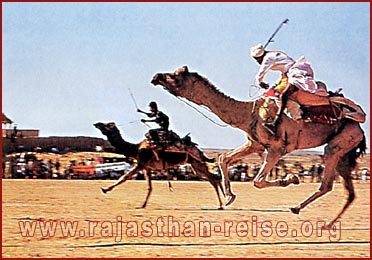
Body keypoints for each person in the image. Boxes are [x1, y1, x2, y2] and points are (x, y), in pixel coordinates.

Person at [250, 43, 330, 134]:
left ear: (259, 57)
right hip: (288, 73)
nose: (258, 62)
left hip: (293, 73)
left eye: (257, 60)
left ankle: (284, 119)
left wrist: (260, 82)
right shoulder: (273, 53)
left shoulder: (267, 59)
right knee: (273, 90)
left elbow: (261, 73)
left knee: (280, 95)